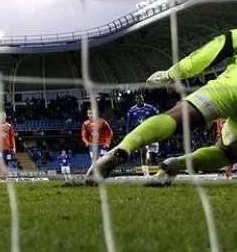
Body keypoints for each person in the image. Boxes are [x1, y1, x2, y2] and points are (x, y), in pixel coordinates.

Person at [88, 28, 237, 185]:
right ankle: (177, 164)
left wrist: (169, 74)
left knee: (174, 117)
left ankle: (123, 148)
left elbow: (205, 55)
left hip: (229, 86)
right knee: (227, 153)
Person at [126, 94, 160, 177]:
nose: (139, 100)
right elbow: (128, 124)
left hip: (151, 132)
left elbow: (158, 114)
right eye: (137, 99)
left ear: (143, 99)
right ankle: (146, 175)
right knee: (143, 152)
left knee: (153, 157)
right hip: (140, 133)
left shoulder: (150, 108)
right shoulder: (132, 110)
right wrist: (128, 134)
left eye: (141, 99)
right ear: (135, 101)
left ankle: (156, 173)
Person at [0, 112, 17, 181]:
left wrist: (14, 147)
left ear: (5, 117)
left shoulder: (9, 126)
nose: (2, 118)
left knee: (7, 162)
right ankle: (1, 178)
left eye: (3, 117)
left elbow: (12, 137)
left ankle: (5, 178)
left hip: (7, 148)